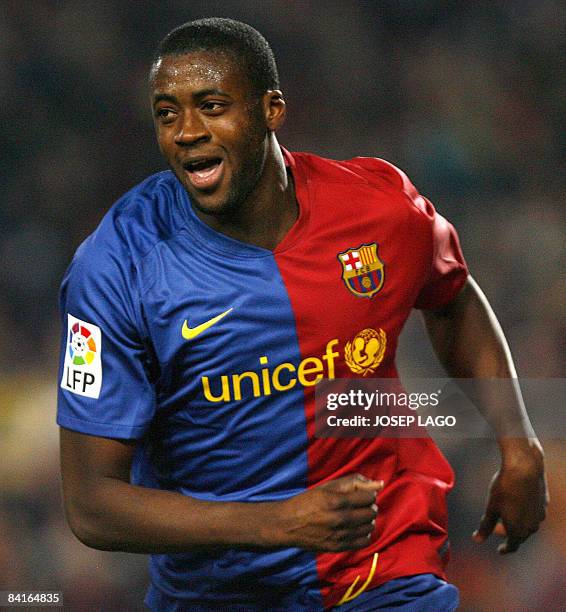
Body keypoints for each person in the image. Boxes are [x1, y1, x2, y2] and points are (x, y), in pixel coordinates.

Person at [57, 18, 548, 611]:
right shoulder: (116, 268)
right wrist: (278, 522)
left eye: (211, 106)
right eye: (167, 113)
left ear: (272, 110)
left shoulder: (380, 209)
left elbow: (453, 297)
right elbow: (91, 505)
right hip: (218, 595)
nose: (187, 132)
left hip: (383, 569)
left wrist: (519, 446)